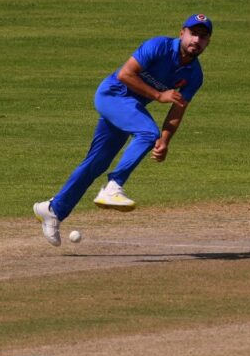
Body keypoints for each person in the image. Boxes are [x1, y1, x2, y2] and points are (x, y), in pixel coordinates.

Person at [34, 14, 212, 246]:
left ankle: (52, 209)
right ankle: (114, 185)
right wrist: (159, 95)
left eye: (202, 36)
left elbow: (178, 110)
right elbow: (125, 74)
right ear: (182, 33)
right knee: (148, 133)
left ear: (208, 42)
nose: (196, 40)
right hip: (113, 95)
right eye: (193, 33)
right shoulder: (158, 46)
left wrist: (166, 140)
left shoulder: (194, 75)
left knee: (96, 162)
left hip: (130, 108)